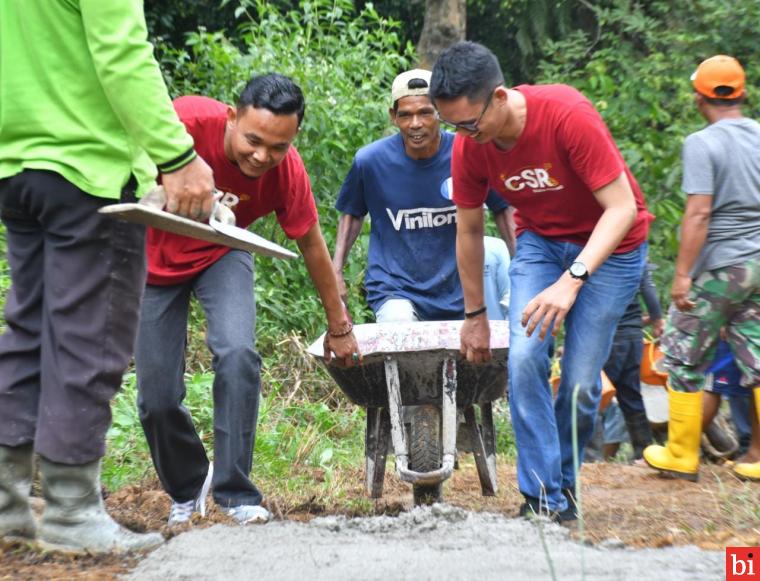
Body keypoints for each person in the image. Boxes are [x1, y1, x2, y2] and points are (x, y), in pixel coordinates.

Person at [0, 1, 216, 554]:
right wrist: (177, 155)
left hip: (16, 165)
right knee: (87, 337)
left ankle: (7, 507)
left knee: (29, 332)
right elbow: (121, 55)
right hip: (86, 169)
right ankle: (71, 511)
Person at [430, 41, 651, 520]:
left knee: (578, 383)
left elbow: (622, 208)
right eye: (454, 126)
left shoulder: (566, 114)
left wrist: (572, 280)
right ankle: (542, 496)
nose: (465, 135)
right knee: (526, 357)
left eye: (470, 122)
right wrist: (475, 315)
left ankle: (563, 485)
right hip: (542, 245)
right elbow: (468, 231)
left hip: (615, 248)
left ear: (501, 96)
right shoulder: (470, 146)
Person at [136, 74, 361, 527]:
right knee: (156, 396)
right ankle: (188, 485)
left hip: (224, 249)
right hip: (151, 259)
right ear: (232, 116)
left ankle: (236, 491)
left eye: (277, 147)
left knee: (238, 353)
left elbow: (313, 246)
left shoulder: (287, 169)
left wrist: (339, 325)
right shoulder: (184, 122)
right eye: (253, 141)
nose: (262, 157)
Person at [643, 55, 760, 482]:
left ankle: (680, 454)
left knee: (682, 355)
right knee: (758, 357)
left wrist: (682, 275)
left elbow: (698, 213)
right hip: (758, 264)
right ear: (741, 92)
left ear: (699, 97)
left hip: (720, 266)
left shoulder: (702, 142)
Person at [332, 69, 514, 324]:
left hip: (458, 284)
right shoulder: (370, 162)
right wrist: (336, 272)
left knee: (495, 253)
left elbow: (503, 210)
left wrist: (523, 268)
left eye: (425, 113)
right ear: (393, 117)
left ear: (440, 112)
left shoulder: (468, 153)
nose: (415, 124)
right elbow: (352, 215)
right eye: (405, 115)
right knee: (401, 338)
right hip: (395, 287)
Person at [602, 262, 664, 460]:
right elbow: (648, 287)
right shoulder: (636, 252)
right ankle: (643, 453)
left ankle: (589, 456)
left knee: (596, 394)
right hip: (632, 336)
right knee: (631, 396)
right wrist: (657, 320)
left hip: (607, 335)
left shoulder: (596, 251)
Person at [483, 236, 511, 320]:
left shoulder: (495, 247)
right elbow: (508, 297)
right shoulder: (495, 246)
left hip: (446, 325)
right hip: (494, 327)